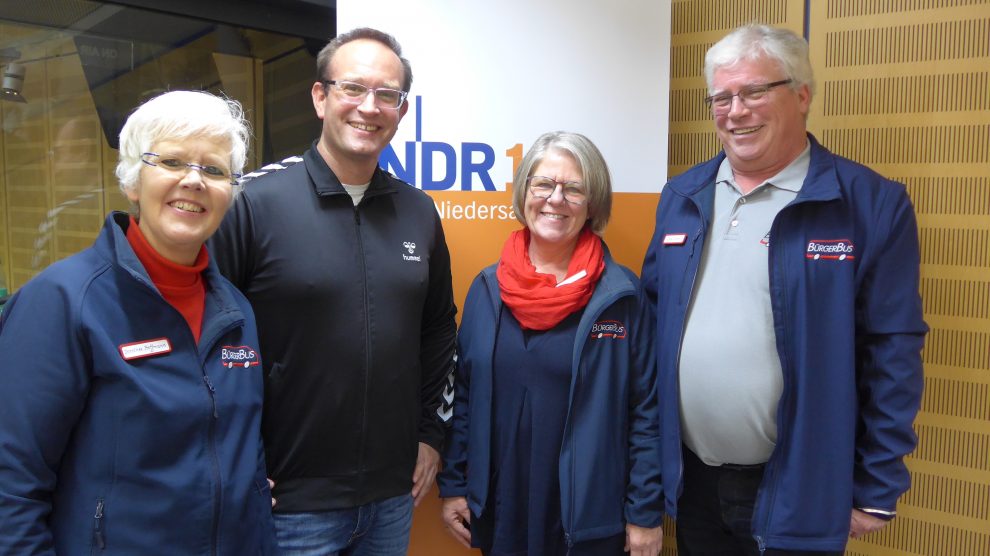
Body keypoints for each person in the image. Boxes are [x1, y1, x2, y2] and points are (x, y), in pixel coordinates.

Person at [641, 23, 927, 555]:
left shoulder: (867, 204)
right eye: (721, 97)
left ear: (802, 94)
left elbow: (893, 353)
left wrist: (878, 484)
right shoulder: (682, 195)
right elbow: (651, 328)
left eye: (753, 91)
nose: (735, 111)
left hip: (799, 485)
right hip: (692, 481)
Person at [208, 27, 457, 554]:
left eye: (387, 95)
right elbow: (208, 342)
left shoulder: (419, 212)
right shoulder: (254, 204)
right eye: (353, 89)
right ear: (320, 97)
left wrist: (430, 435)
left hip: (392, 498)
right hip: (288, 504)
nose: (370, 107)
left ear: (401, 110)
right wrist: (233, 462)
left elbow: (437, 331)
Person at [0, 90, 276, 554]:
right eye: (170, 162)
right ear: (132, 181)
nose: (194, 181)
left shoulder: (235, 310)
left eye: (213, 169)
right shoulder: (63, 302)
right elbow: (11, 486)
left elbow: (243, 456)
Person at [439, 131, 663, 556]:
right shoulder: (487, 290)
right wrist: (453, 486)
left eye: (573, 188)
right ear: (524, 192)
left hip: (586, 519)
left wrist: (645, 512)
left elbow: (645, 414)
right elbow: (463, 397)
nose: (555, 199)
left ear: (592, 204)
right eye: (543, 184)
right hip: (501, 509)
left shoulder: (620, 298)